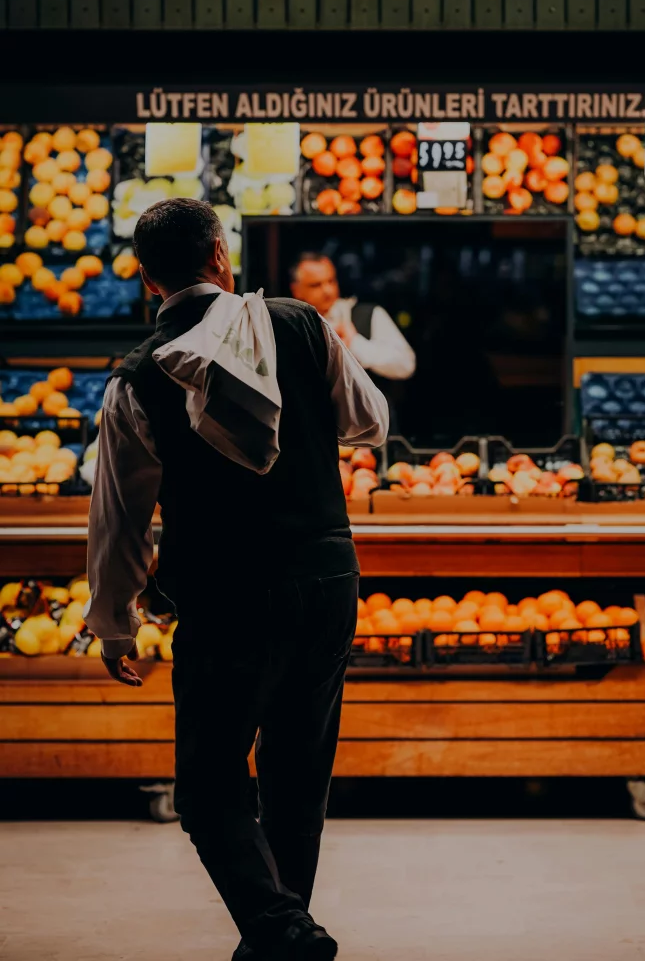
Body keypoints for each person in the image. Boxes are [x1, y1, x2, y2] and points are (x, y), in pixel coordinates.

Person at [84, 199, 388, 961]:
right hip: (326, 581)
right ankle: (282, 941)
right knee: (295, 782)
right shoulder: (302, 324)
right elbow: (369, 422)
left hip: (227, 598)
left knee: (209, 789)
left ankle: (281, 931)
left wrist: (113, 621)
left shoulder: (136, 380)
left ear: (149, 280)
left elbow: (119, 519)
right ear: (220, 255)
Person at [289, 253, 416, 382]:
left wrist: (355, 343)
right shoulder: (291, 326)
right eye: (316, 285)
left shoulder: (367, 314)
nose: (328, 290)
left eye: (331, 281)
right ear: (297, 290)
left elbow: (406, 365)